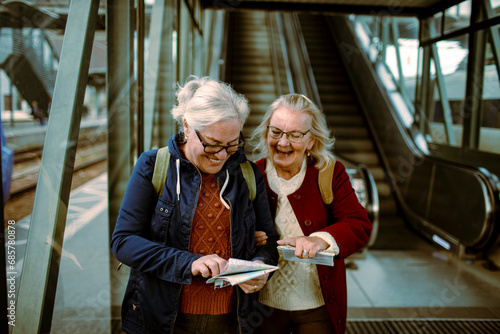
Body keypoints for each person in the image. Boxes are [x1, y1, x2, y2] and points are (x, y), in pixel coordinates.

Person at [111, 76, 280, 334]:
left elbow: (269, 241)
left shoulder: (247, 174)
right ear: (187, 126)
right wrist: (188, 263)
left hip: (231, 321)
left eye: (232, 145)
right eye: (212, 144)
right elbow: (123, 241)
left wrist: (259, 267)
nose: (221, 155)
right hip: (162, 321)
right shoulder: (153, 166)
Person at [251, 94, 372, 334]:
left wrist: (320, 239)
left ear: (311, 141)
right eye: (276, 132)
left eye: (295, 135)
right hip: (263, 307)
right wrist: (246, 236)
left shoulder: (330, 173)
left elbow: (359, 225)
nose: (283, 143)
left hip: (316, 305)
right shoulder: (251, 174)